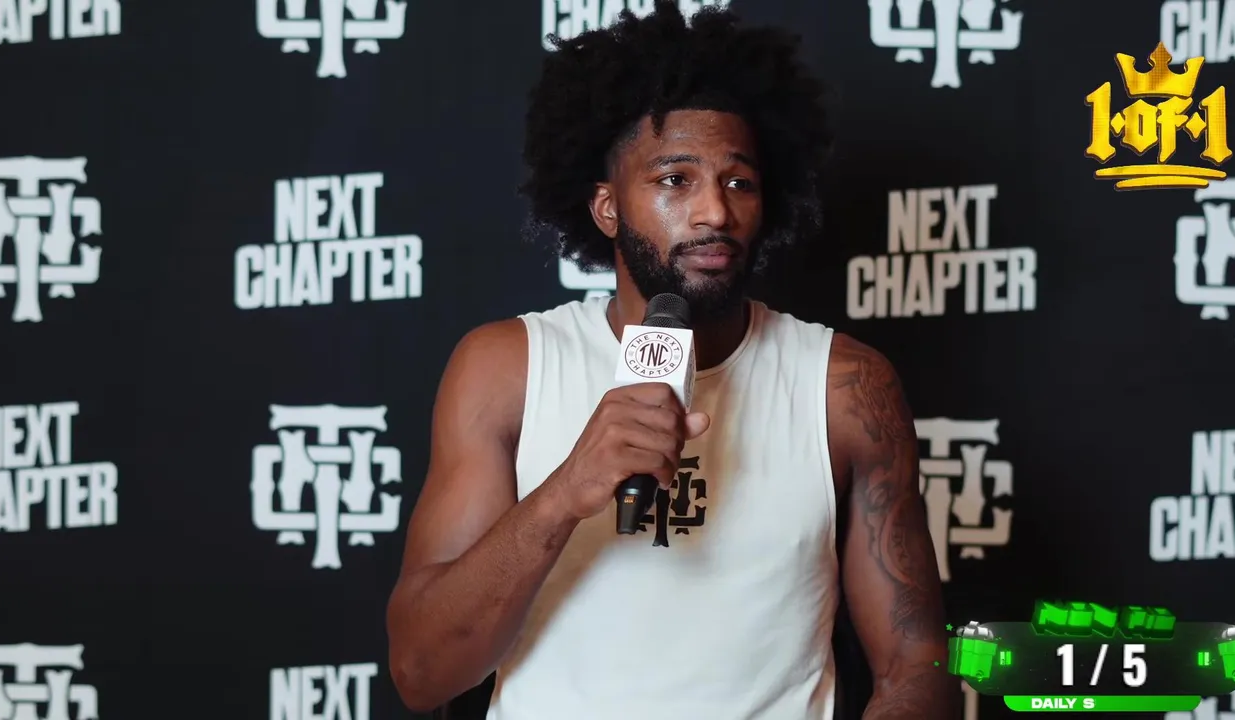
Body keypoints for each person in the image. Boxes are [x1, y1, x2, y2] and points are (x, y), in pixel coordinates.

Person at [385, 2, 957, 717]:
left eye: (739, 182)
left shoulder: (843, 387)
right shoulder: (507, 370)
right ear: (607, 207)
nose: (715, 211)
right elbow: (422, 672)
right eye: (675, 180)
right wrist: (567, 491)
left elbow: (914, 667)